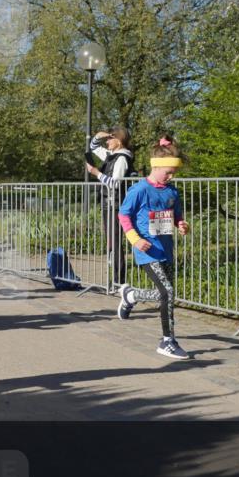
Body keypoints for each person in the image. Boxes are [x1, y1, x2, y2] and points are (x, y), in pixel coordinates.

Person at [116, 135, 191, 360]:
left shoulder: (172, 191)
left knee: (164, 293)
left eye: (173, 173)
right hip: (146, 251)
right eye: (168, 172)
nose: (171, 176)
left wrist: (181, 224)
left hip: (166, 249)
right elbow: (123, 214)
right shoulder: (139, 190)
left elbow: (176, 214)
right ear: (155, 167)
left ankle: (131, 295)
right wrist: (134, 239)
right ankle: (167, 341)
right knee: (167, 292)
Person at [85, 127, 135, 286]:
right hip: (108, 203)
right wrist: (99, 136)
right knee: (111, 242)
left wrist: (96, 173)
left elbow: (114, 183)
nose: (107, 142)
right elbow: (93, 147)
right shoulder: (111, 155)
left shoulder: (121, 158)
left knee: (115, 242)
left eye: (110, 139)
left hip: (116, 204)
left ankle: (119, 281)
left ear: (118, 141)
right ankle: (114, 280)